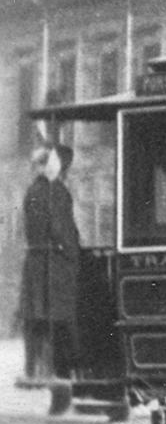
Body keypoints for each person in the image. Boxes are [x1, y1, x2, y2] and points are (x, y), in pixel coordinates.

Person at [18, 143, 81, 389]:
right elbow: (61, 229)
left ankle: (38, 370)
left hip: (37, 264)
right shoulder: (57, 192)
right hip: (54, 266)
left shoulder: (32, 190)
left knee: (39, 318)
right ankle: (65, 373)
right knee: (62, 318)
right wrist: (74, 256)